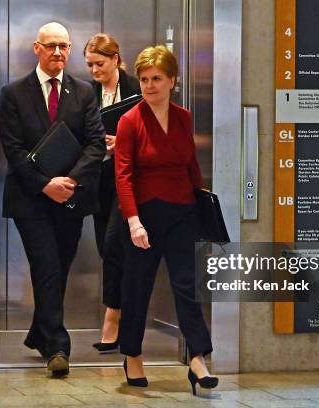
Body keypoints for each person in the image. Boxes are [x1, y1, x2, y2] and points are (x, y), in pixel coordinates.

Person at [0, 22, 106, 377]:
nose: (58, 52)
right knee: (46, 267)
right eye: (51, 46)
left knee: (58, 268)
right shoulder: (14, 93)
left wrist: (71, 181)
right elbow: (12, 148)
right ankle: (58, 347)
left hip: (71, 198)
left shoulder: (84, 92)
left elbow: (95, 142)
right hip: (31, 199)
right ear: (36, 49)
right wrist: (45, 184)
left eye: (63, 46)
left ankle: (38, 333)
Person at [114, 45, 218, 394]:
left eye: (156, 78)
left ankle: (198, 357)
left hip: (182, 212)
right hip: (143, 216)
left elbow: (190, 165)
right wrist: (133, 221)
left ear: (172, 80)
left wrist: (200, 202)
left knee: (187, 286)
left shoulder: (184, 117)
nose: (149, 85)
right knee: (137, 289)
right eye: (144, 79)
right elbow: (123, 175)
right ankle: (132, 355)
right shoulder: (130, 121)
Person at [83, 33, 140, 352]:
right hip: (99, 178)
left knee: (114, 241)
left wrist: (123, 143)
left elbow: (153, 130)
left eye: (100, 64)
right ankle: (126, 312)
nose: (94, 70)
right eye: (89, 64)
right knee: (108, 249)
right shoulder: (84, 93)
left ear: (116, 59)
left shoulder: (135, 89)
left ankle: (113, 316)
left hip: (129, 178)